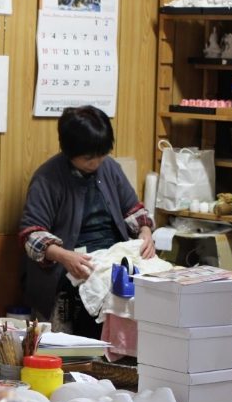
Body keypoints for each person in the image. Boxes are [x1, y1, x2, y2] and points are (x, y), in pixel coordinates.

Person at [19, 105, 155, 337]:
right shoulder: (47, 177)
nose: (96, 163)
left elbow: (133, 209)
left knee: (157, 282)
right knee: (99, 290)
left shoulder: (109, 167)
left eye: (101, 155)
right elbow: (31, 236)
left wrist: (145, 232)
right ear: (68, 151)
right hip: (75, 261)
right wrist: (64, 256)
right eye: (88, 158)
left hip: (113, 253)